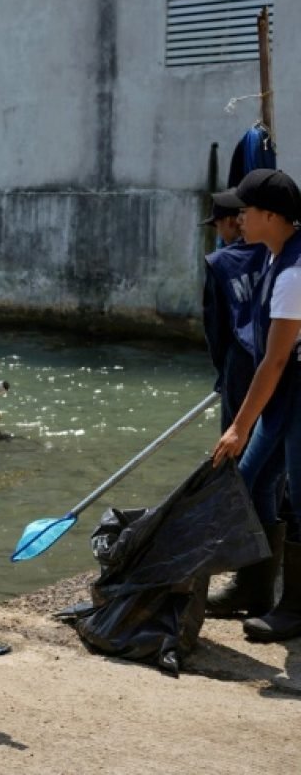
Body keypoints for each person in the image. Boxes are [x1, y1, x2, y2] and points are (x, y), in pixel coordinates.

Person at [212, 168, 301, 641]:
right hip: (287, 389)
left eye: (245, 211)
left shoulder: (292, 273)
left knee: (299, 498)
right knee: (252, 478)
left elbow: (277, 358)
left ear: (271, 215)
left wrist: (239, 425)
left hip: (294, 386)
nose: (238, 217)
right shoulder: (273, 256)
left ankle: (296, 608)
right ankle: (254, 586)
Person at [203, 191, 275, 617]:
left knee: (242, 472)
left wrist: (223, 377)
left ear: (232, 222)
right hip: (282, 369)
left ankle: (250, 581)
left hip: (242, 369)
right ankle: (263, 578)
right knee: (274, 475)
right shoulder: (278, 255)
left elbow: (217, 331)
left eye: (221, 224)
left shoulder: (220, 264)